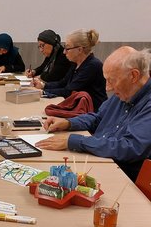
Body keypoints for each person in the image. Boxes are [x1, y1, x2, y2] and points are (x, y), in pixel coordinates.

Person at [36, 46, 151, 182]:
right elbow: (97, 118)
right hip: (97, 160)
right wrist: (68, 122)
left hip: (121, 177)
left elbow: (129, 147)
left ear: (134, 76)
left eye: (112, 80)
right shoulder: (125, 92)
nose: (108, 88)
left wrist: (74, 141)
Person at [32, 29, 107, 112]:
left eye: (67, 48)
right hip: (79, 108)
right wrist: (43, 86)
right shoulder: (75, 63)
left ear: (79, 50)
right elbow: (63, 83)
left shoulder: (92, 66)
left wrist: (43, 92)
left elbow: (69, 91)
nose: (64, 52)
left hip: (92, 113)